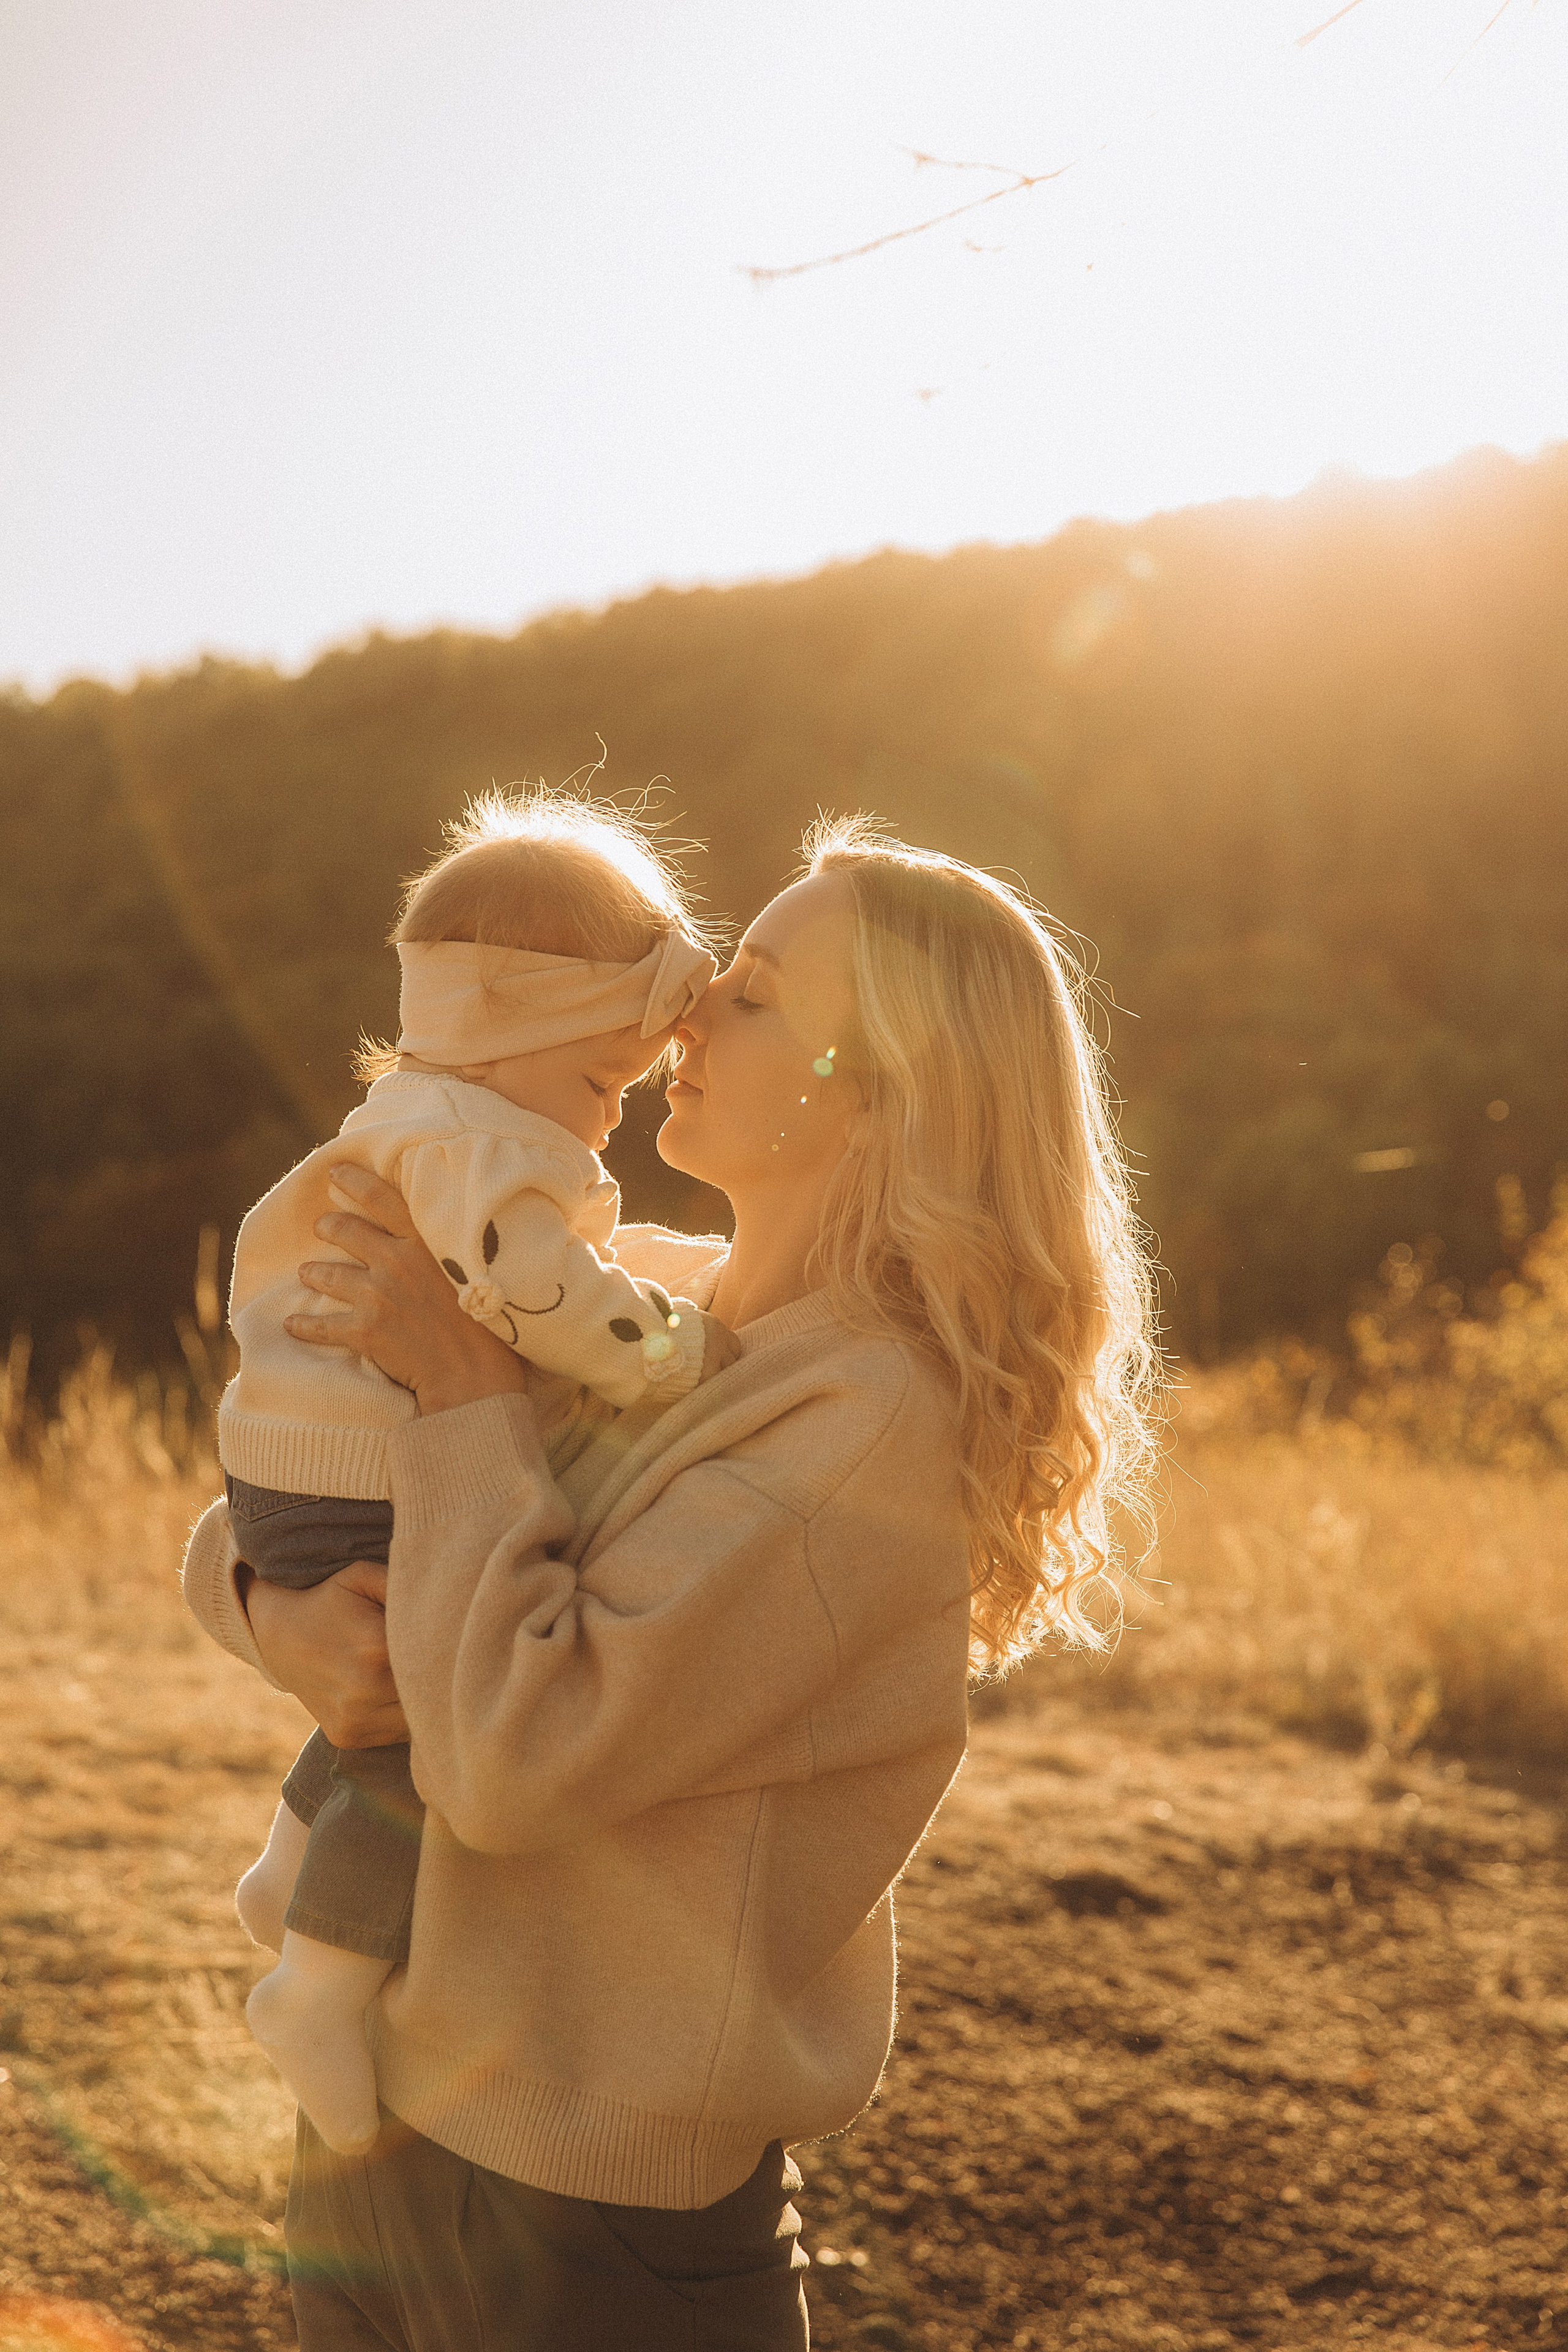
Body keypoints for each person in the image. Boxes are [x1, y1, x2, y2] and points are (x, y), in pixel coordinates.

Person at [183, 816, 1161, 2351]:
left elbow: (512, 1755)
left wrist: (459, 1397)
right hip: (383, 2128)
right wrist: (275, 1610)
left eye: (755, 994)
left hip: (595, 2232)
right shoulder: (637, 1304)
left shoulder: (862, 1425)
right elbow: (309, 1490)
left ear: (882, 1089)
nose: (687, 1015)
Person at [210, 790, 737, 2157]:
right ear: (515, 1043)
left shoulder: (419, 1120)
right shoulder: (491, 1155)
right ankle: (320, 1983)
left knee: (370, 1701)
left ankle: (284, 1873)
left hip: (285, 1473)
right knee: (422, 1741)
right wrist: (670, 1351)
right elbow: (538, 1293)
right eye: (599, 1086)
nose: (609, 1124)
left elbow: (544, 1277)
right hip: (364, 1478)